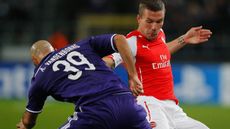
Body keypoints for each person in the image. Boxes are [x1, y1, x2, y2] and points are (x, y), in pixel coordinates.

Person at [103, 0, 212, 129]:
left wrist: (184, 39)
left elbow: (161, 53)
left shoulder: (160, 34)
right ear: (139, 19)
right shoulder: (131, 42)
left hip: (172, 108)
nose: (154, 27)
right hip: (149, 103)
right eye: (149, 21)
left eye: (159, 21)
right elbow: (107, 62)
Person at [16, 34, 152, 129]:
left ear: (35, 62)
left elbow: (29, 120)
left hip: (94, 112)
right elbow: (120, 39)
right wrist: (133, 76)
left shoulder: (40, 76)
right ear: (55, 50)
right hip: (128, 104)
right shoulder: (81, 45)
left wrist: (24, 124)